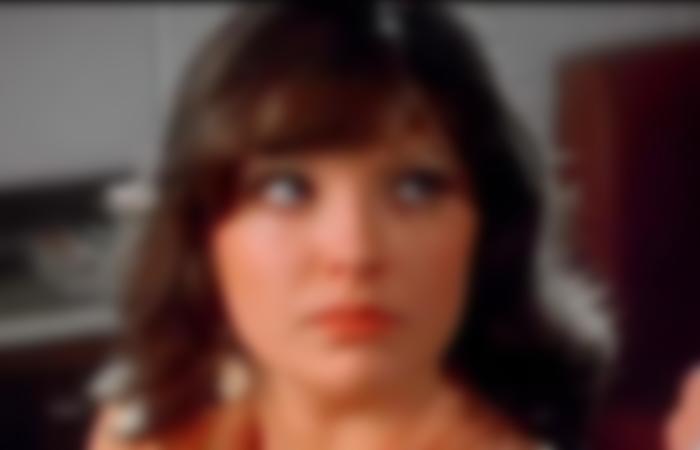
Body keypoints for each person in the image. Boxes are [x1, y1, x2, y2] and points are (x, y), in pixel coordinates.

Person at [88, 3, 611, 449]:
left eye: (416, 188)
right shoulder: (146, 427)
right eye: (287, 189)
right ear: (200, 230)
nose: (354, 252)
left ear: (489, 229)